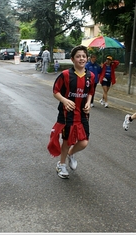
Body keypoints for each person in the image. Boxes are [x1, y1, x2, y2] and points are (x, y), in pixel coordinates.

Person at [49, 45, 95, 179]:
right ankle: (61, 165)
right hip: (66, 114)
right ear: (72, 59)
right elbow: (55, 91)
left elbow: (90, 92)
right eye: (78, 56)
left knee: (84, 142)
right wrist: (64, 100)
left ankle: (71, 153)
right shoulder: (65, 75)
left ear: (86, 59)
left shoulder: (90, 76)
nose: (81, 59)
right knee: (67, 140)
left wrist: (88, 102)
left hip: (82, 114)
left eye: (84, 56)